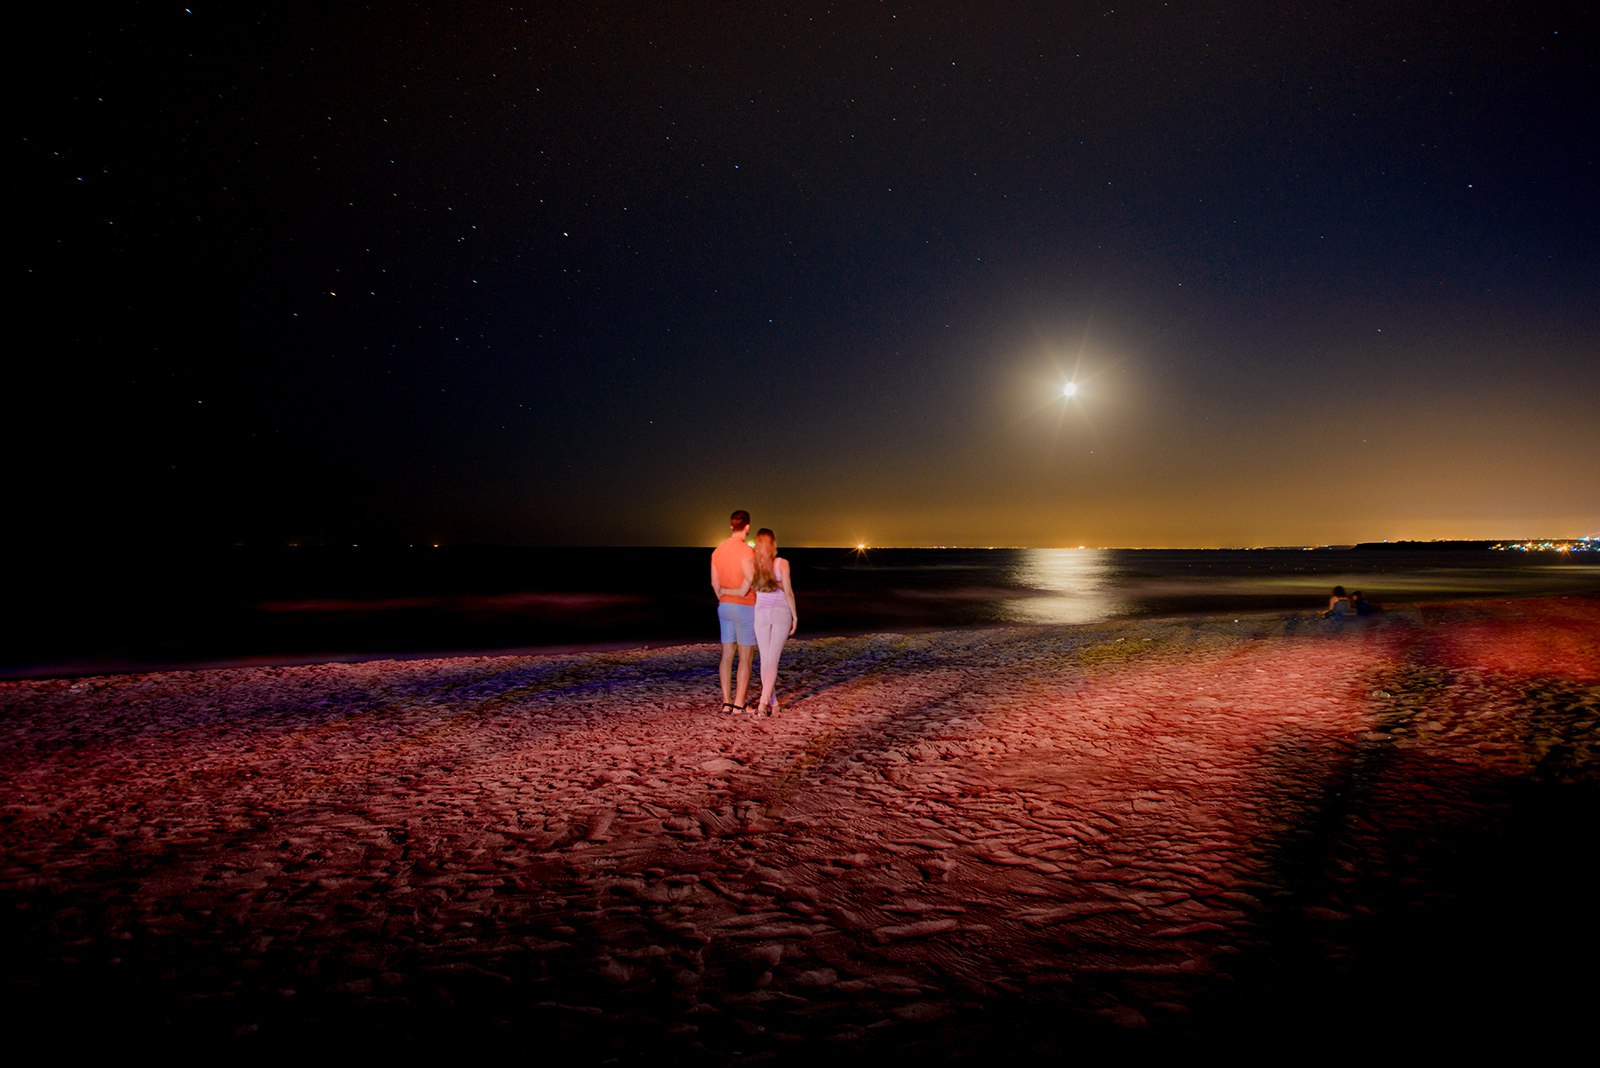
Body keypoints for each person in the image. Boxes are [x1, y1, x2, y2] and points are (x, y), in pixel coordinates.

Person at [740, 528, 797, 716]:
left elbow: (749, 588)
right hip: (781, 612)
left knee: (766, 659)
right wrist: (795, 616)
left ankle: (774, 702)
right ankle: (764, 703)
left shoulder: (749, 564)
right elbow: (788, 592)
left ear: (756, 545)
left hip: (761, 613)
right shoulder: (782, 564)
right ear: (773, 544)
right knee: (772, 659)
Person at [710, 510, 756, 712]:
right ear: (747, 527)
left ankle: (726, 701)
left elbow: (714, 584)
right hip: (744, 606)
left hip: (724, 606)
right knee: (745, 656)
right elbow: (748, 585)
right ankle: (739, 703)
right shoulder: (746, 551)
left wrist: (724, 593)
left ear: (731, 526)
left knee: (727, 654)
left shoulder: (718, 551)